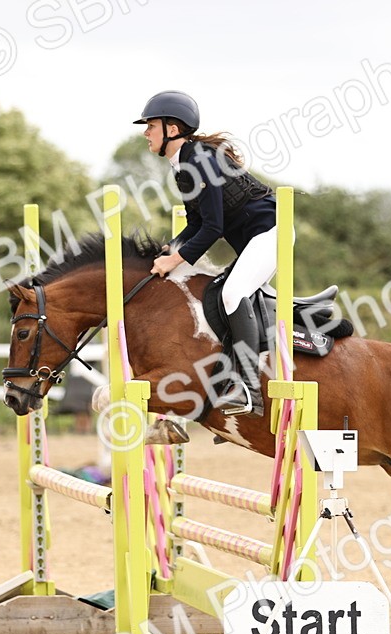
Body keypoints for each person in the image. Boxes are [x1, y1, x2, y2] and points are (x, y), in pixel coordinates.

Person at [134, 90, 277, 417]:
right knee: (216, 294)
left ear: (172, 129)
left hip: (270, 233)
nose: (145, 132)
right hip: (253, 239)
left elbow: (213, 228)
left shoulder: (199, 159)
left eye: (151, 126)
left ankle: (248, 388)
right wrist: (170, 249)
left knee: (232, 294)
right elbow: (197, 222)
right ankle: (225, 383)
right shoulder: (183, 164)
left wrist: (175, 260)